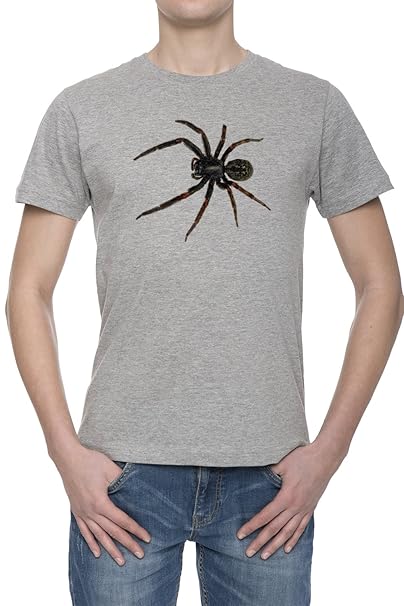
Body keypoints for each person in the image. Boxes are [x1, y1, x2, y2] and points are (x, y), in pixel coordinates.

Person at [6, 0, 403, 604]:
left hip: (271, 480)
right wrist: (64, 452)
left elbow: (381, 285)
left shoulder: (313, 105)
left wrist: (330, 452)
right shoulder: (81, 108)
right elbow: (28, 290)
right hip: (119, 477)